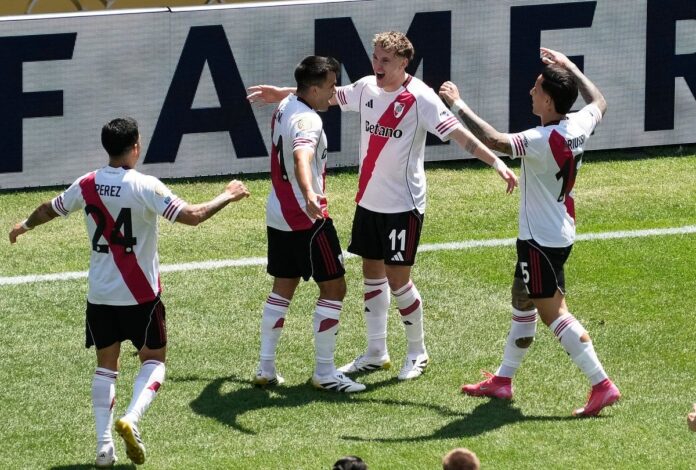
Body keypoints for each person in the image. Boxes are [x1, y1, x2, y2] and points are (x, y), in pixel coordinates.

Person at [248, 31, 517, 381]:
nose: (377, 65)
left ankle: (417, 352)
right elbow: (325, 94)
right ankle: (377, 352)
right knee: (371, 277)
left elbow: (459, 136)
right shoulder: (365, 88)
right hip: (369, 202)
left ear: (403, 62)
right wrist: (282, 93)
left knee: (399, 281)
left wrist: (495, 162)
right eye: (375, 57)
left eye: (385, 60)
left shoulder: (421, 98)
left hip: (403, 205)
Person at [9, 117, 250, 466]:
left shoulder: (86, 184)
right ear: (135, 146)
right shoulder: (145, 185)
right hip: (141, 297)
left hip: (100, 296)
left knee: (106, 367)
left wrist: (24, 225)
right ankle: (132, 418)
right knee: (154, 361)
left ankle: (104, 447)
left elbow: (50, 208)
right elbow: (193, 215)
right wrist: (227, 195)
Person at [439, 47, 620, 416]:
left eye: (537, 88)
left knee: (554, 313)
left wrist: (457, 104)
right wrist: (569, 67)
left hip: (541, 241)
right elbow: (599, 101)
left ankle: (601, 384)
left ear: (549, 100)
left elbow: (494, 141)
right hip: (555, 231)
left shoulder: (539, 140)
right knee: (522, 303)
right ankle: (503, 380)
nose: (531, 92)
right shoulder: (578, 125)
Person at [252, 56, 365, 393]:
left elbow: (299, 95)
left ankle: (265, 367)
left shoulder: (286, 104)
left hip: (278, 213)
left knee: (282, 287)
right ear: (313, 89)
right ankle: (325, 373)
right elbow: (302, 157)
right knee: (335, 288)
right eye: (330, 86)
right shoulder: (309, 121)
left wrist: (280, 92)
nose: (334, 92)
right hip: (308, 218)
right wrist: (309, 193)